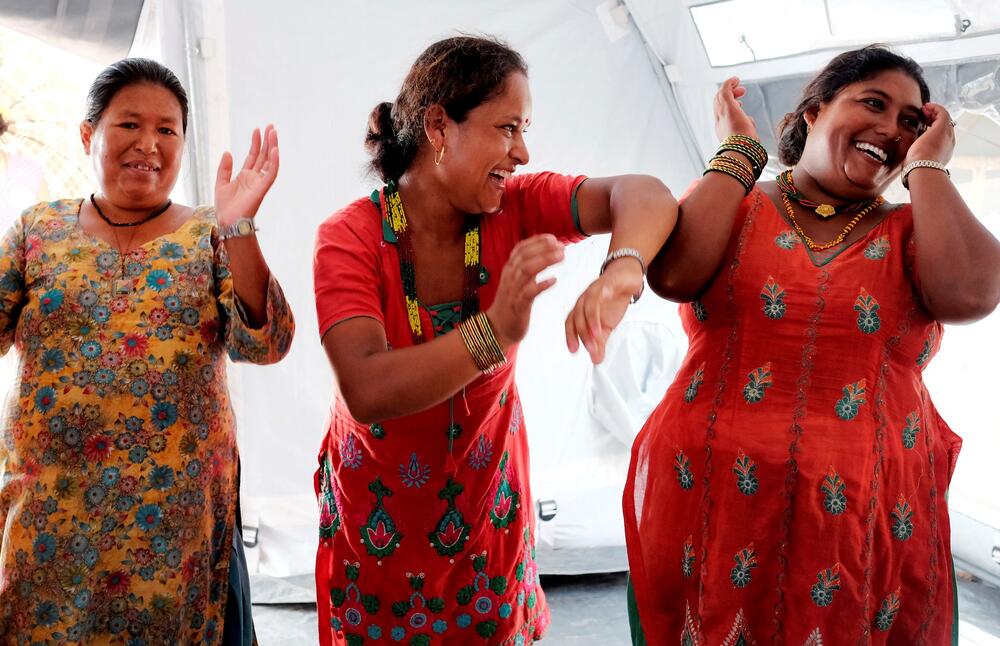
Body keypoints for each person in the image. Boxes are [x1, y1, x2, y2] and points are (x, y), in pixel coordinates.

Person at [623, 45, 1000, 644]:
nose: (892, 129)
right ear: (814, 112)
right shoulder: (735, 202)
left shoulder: (914, 231)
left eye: (910, 121)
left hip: (865, 523)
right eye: (872, 103)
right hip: (714, 509)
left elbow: (972, 296)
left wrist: (928, 167)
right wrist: (738, 154)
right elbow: (675, 275)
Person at [313, 35, 677, 646]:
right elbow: (367, 387)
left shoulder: (517, 207)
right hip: (377, 526)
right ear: (439, 127)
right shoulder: (349, 236)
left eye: (525, 128)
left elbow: (644, 193)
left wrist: (621, 272)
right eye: (508, 128)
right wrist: (494, 333)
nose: (524, 151)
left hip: (487, 521)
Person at [0, 58, 295, 643]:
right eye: (129, 124)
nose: (148, 144)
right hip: (48, 512)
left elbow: (266, 343)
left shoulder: (210, 234)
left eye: (167, 130)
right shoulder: (36, 231)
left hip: (174, 523)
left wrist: (239, 229)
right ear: (89, 134)